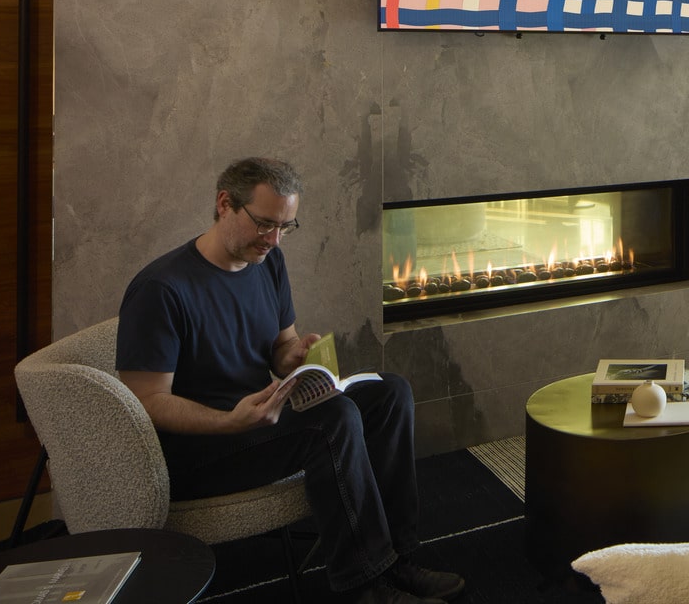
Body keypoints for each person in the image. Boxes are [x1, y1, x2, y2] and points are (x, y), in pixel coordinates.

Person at [116, 157, 464, 604]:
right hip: (200, 448)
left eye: (285, 227)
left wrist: (296, 356)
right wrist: (228, 421)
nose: (274, 239)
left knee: (390, 392)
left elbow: (282, 347)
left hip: (260, 415)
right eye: (264, 224)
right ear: (224, 204)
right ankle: (365, 587)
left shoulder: (268, 262)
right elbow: (144, 401)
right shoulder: (161, 290)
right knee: (331, 421)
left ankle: (399, 559)